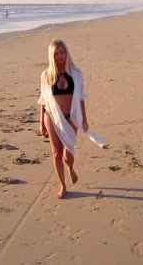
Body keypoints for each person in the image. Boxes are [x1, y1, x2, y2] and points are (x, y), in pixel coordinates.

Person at [38, 39, 90, 199]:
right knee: (56, 153)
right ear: (51, 56)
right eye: (56, 53)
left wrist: (84, 119)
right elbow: (43, 100)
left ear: (66, 53)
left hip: (70, 117)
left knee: (68, 155)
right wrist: (41, 123)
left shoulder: (76, 73)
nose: (59, 56)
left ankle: (71, 168)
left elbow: (81, 98)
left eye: (62, 52)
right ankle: (63, 186)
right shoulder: (46, 75)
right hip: (51, 117)